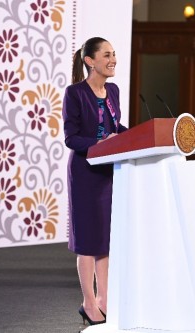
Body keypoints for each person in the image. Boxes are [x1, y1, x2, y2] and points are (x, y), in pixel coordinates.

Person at [63, 37, 128, 325]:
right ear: (90, 61)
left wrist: (138, 136)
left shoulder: (112, 90)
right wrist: (103, 142)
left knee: (105, 239)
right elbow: (72, 138)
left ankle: (105, 299)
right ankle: (89, 303)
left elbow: (117, 127)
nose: (112, 59)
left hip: (108, 172)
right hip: (86, 173)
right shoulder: (75, 93)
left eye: (113, 54)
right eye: (106, 55)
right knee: (88, 240)